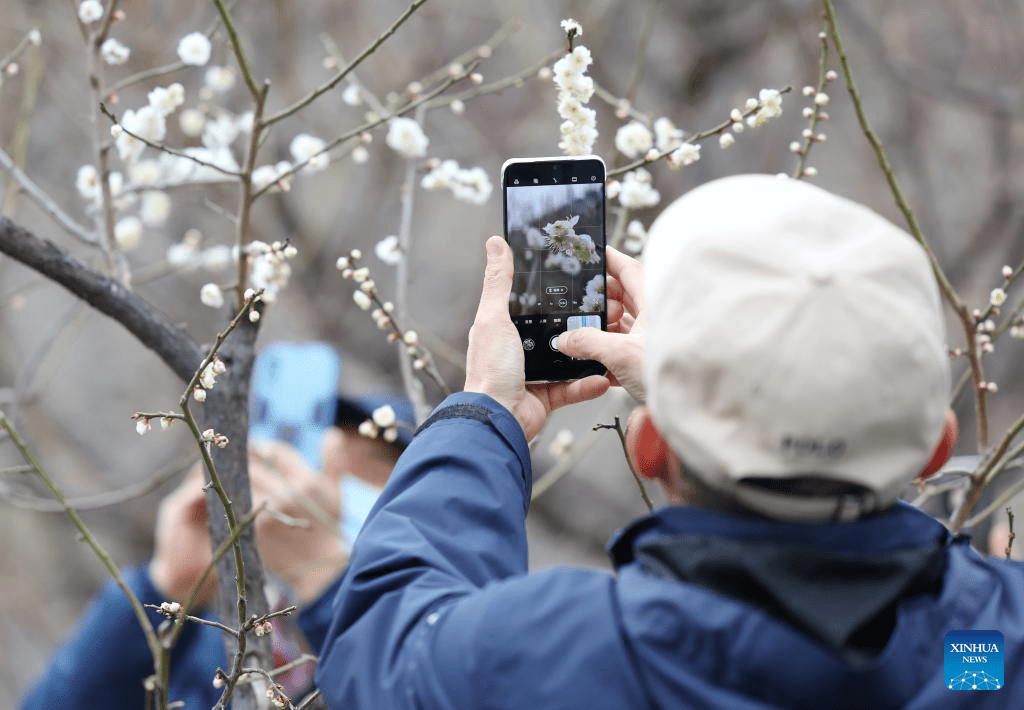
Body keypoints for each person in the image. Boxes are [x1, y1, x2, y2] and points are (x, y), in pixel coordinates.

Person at [313, 174, 1022, 708]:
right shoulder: (983, 650)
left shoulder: (560, 655)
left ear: (650, 448)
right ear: (935, 450)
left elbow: (384, 644)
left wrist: (484, 415)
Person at [21, 385, 412, 710]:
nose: (320, 487)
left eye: (374, 464)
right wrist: (163, 592)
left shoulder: (438, 621)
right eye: (317, 459)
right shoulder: (212, 648)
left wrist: (330, 583)